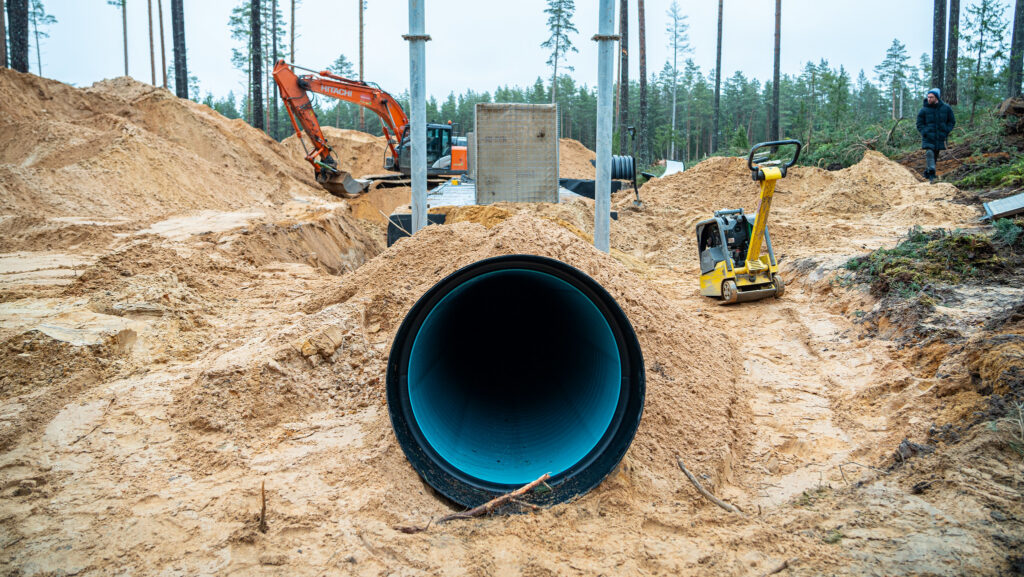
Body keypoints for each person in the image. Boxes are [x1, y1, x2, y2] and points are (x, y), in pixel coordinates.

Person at [916, 88, 956, 184]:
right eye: (928, 97)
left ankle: (928, 173)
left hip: (940, 136)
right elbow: (919, 124)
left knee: (935, 155)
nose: (929, 99)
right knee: (929, 152)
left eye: (931, 97)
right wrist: (924, 131)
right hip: (928, 136)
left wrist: (946, 130)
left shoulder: (946, 108)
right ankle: (932, 172)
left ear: (936, 97)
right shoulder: (924, 110)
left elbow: (952, 121)